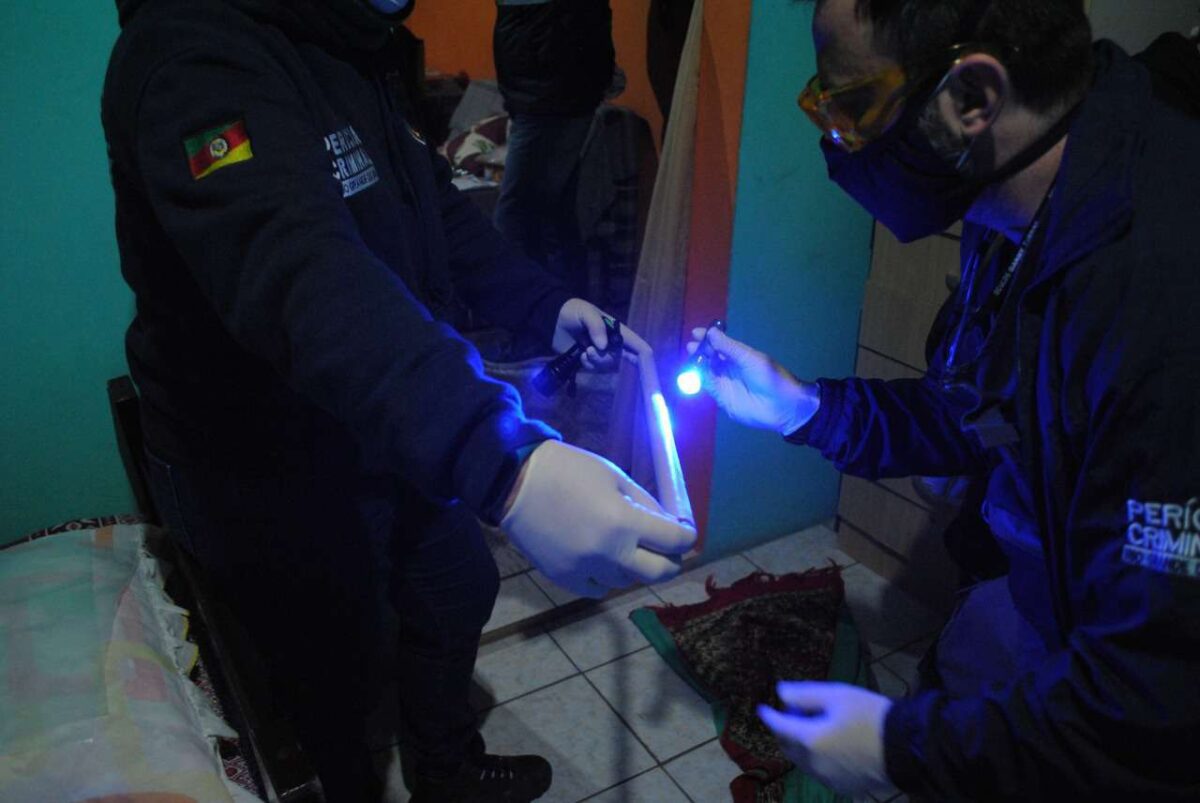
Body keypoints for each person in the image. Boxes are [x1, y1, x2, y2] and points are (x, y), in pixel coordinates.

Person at [101, 1, 696, 801]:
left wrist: (543, 304)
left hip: (377, 411)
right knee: (330, 679)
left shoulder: (353, 41)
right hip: (259, 450)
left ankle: (444, 772)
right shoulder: (191, 55)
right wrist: (506, 464)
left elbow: (432, 206)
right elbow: (298, 268)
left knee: (458, 584)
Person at [688, 0, 1200, 799]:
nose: (837, 142)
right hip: (1038, 590)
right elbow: (973, 411)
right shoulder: (1022, 190)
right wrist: (804, 408)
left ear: (971, 98)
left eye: (853, 107)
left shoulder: (1158, 299)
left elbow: (1151, 709)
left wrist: (904, 750)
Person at [492, 0, 615, 299]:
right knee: (552, 217)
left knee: (517, 214)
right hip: (542, 95)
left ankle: (522, 306)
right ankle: (560, 308)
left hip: (550, 97)